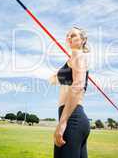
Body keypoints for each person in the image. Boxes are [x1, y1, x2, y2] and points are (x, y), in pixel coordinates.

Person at [48, 26, 90, 158]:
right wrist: (58, 74)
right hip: (76, 119)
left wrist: (63, 122)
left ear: (82, 40)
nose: (68, 38)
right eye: (67, 35)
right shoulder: (72, 60)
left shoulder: (79, 56)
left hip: (72, 118)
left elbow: (77, 87)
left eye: (73, 35)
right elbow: (54, 80)